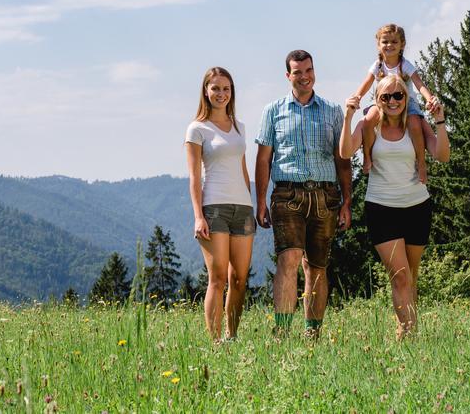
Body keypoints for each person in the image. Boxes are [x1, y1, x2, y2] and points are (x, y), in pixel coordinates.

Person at [340, 74, 449, 338]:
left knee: (411, 276)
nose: (392, 101)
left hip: (417, 206)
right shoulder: (370, 126)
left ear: (406, 98)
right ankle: (407, 335)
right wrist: (348, 117)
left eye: (398, 95)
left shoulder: (416, 125)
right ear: (377, 100)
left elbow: (442, 156)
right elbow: (345, 151)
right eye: (385, 96)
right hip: (381, 208)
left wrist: (440, 121)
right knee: (399, 276)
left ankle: (411, 336)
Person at [255, 50, 352, 339]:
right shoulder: (273, 111)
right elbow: (263, 159)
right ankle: (282, 332)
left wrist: (347, 202)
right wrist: (260, 200)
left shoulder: (332, 111)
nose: (304, 76)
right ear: (288, 76)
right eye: (297, 72)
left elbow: (342, 160)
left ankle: (313, 334)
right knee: (289, 259)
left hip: (326, 195)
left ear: (314, 72)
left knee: (317, 267)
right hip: (287, 195)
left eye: (308, 70)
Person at [185, 67, 255, 342]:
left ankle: (231, 336)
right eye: (215, 88)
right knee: (218, 279)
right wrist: (198, 216)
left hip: (243, 208)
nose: (221, 94)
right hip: (214, 209)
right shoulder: (197, 128)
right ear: (206, 91)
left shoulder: (240, 127)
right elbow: (193, 177)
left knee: (239, 279)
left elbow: (243, 169)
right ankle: (214, 343)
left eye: (226, 89)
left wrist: (253, 203)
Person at [351, 24, 441, 183]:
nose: (389, 45)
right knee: (368, 120)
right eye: (385, 42)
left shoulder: (405, 65)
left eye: (394, 42)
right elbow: (367, 82)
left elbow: (419, 84)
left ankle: (421, 162)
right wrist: (357, 96)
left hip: (407, 102)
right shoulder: (377, 65)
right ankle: (367, 155)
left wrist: (429, 98)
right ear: (378, 45)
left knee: (414, 123)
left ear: (402, 45)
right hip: (383, 101)